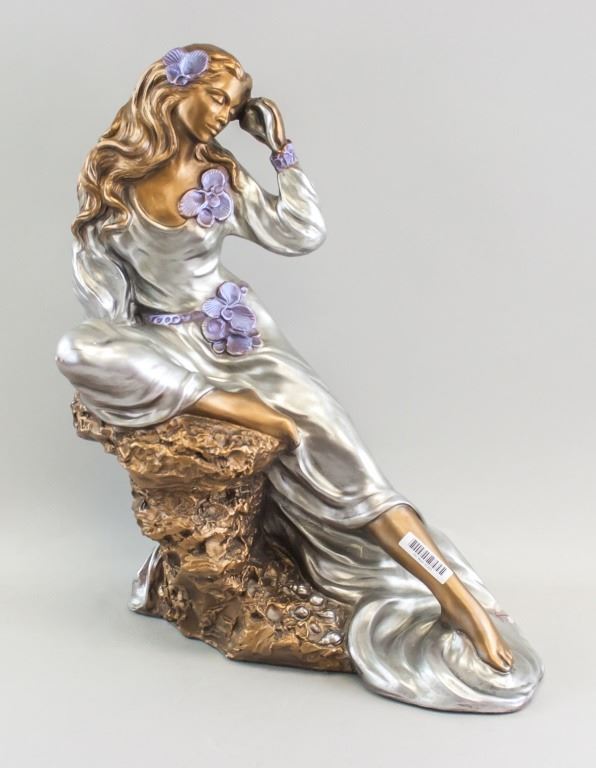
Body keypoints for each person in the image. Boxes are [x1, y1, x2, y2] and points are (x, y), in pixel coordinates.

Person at [55, 44, 543, 712]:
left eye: (233, 106)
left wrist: (280, 151)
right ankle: (229, 407)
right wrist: (129, 351)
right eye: (216, 98)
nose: (224, 115)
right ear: (171, 89)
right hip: (161, 347)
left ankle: (454, 595)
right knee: (76, 346)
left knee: (345, 459)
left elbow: (300, 233)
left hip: (238, 338)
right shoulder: (113, 178)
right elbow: (103, 313)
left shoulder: (221, 175)